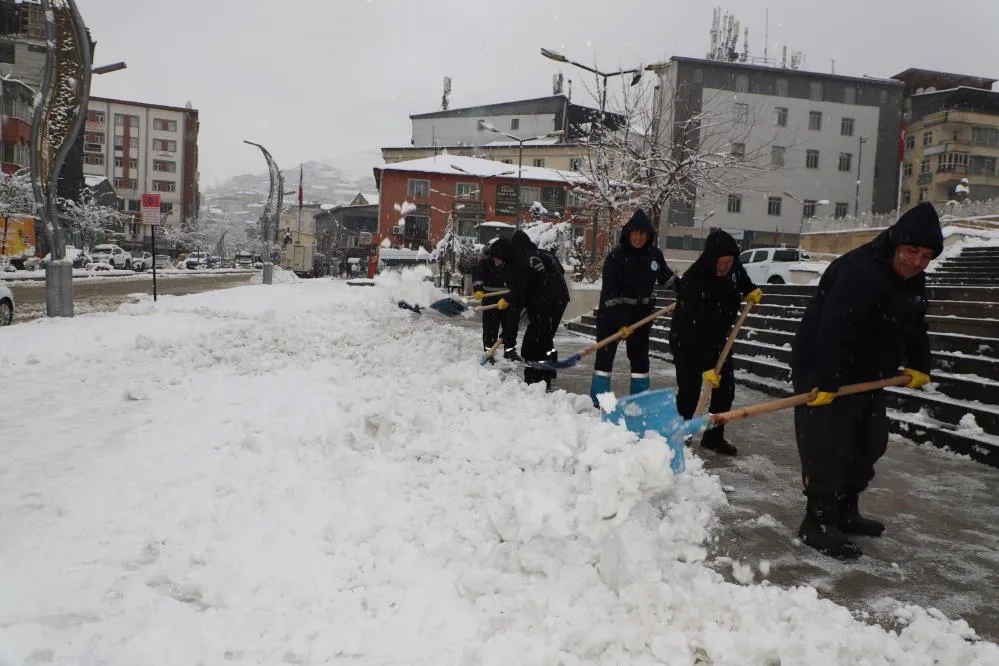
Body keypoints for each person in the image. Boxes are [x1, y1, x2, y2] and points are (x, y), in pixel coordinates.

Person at [790, 202, 941, 559]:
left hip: (868, 375)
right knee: (829, 445)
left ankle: (845, 509)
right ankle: (818, 521)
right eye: (911, 252)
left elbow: (915, 322)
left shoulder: (912, 277)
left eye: (925, 256)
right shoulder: (859, 271)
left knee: (869, 442)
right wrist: (826, 379)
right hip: (825, 365)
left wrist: (920, 363)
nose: (917, 262)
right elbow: (836, 327)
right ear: (896, 245)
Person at [668, 229, 762, 455]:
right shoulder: (694, 280)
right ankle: (681, 436)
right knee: (690, 391)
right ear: (711, 260)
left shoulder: (735, 269)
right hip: (688, 340)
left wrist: (751, 291)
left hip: (719, 339)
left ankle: (713, 437)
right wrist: (706, 364)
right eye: (719, 262)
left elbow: (742, 281)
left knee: (725, 390)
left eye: (728, 262)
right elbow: (692, 327)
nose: (724, 267)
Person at [589, 209, 676, 407]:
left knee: (640, 362)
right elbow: (610, 294)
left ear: (648, 235)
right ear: (628, 233)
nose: (638, 237)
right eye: (635, 233)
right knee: (605, 360)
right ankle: (601, 402)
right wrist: (621, 322)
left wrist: (685, 290)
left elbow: (667, 279)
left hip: (641, 317)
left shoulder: (654, 255)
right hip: (611, 316)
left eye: (642, 233)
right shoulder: (616, 257)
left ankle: (639, 402)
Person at [490, 230, 570, 390]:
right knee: (545, 338)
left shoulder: (519, 264)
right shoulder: (542, 254)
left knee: (532, 345)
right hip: (560, 298)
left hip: (545, 303)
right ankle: (547, 372)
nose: (495, 262)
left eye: (496, 258)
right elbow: (559, 271)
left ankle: (535, 382)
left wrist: (507, 332)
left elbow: (518, 303)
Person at [472, 241, 519, 362]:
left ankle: (510, 351)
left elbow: (517, 280)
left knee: (510, 326)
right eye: (496, 258)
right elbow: (477, 276)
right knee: (490, 327)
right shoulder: (485, 262)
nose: (498, 261)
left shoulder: (511, 262)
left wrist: (511, 295)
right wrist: (478, 289)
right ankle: (489, 351)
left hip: (508, 298)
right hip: (490, 297)